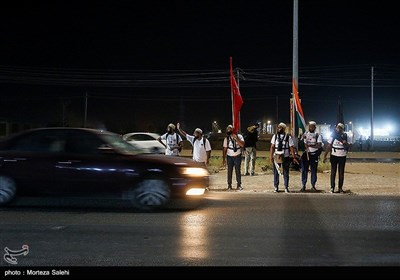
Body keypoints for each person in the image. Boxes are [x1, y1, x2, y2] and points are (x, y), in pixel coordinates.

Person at [269, 122, 299, 193]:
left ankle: (286, 187)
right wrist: (270, 156)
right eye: (278, 127)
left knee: (286, 172)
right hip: (276, 157)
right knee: (276, 172)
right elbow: (272, 147)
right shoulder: (275, 136)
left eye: (280, 127)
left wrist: (294, 157)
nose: (279, 128)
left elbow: (291, 148)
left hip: (286, 157)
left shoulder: (288, 137)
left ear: (284, 129)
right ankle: (276, 187)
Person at [323, 123, 350, 193]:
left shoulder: (345, 135)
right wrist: (325, 155)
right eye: (337, 127)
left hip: (342, 156)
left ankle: (340, 188)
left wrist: (345, 143)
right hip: (334, 155)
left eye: (339, 127)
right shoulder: (333, 135)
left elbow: (349, 145)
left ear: (342, 129)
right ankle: (332, 187)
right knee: (333, 172)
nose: (337, 129)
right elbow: (329, 145)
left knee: (341, 173)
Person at [300, 121, 323, 192]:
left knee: (313, 171)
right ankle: (303, 185)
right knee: (304, 171)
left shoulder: (317, 135)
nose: (311, 127)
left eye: (312, 126)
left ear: (315, 127)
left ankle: (313, 185)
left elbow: (319, 145)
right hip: (306, 154)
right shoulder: (305, 134)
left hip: (314, 155)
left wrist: (310, 145)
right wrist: (302, 137)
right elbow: (302, 143)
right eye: (310, 126)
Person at [222, 124, 245, 191]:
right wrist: (224, 159)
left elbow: (242, 144)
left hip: (237, 156)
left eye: (230, 129)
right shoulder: (227, 138)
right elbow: (224, 149)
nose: (228, 130)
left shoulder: (239, 136)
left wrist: (236, 138)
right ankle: (229, 185)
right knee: (229, 171)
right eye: (227, 129)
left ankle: (239, 185)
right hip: (229, 157)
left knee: (238, 171)